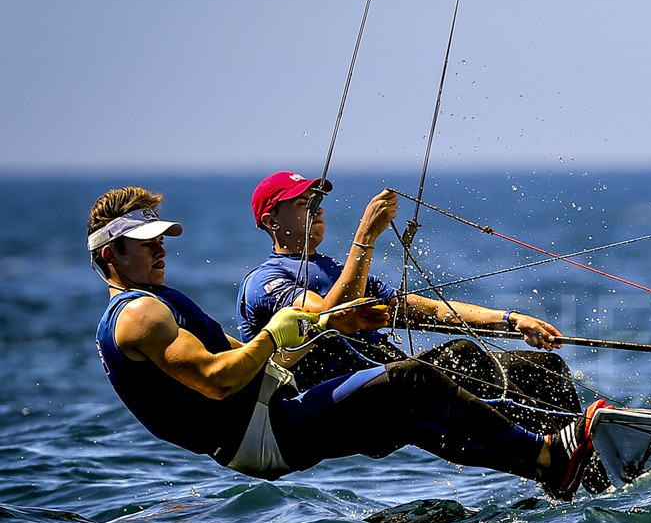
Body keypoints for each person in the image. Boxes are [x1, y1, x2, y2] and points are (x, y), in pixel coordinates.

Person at [89, 185, 609, 498]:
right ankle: (549, 459)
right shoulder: (139, 314)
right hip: (259, 433)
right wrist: (275, 334)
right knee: (411, 383)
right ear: (111, 255)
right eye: (143, 244)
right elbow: (216, 382)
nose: (158, 250)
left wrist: (506, 319)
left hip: (274, 406)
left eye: (158, 240)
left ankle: (571, 471)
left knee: (416, 402)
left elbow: (240, 360)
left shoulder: (160, 301)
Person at [237, 173, 594, 446]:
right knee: (462, 354)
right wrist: (365, 237)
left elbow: (429, 311)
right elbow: (326, 317)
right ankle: (552, 446)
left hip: (396, 385)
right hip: (336, 409)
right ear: (272, 221)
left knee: (544, 367)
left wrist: (511, 320)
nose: (317, 210)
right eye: (302, 204)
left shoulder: (333, 268)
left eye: (317, 202)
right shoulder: (266, 280)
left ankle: (580, 454)